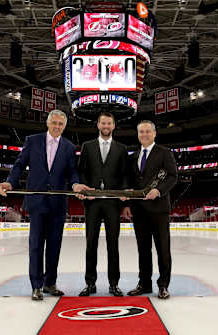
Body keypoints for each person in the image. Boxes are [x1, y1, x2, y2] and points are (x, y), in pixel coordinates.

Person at [0, 110, 91, 301]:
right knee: (36, 246)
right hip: (37, 201)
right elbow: (19, 164)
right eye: (54, 123)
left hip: (58, 203)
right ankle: (36, 286)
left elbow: (72, 172)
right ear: (48, 123)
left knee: (54, 246)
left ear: (64, 126)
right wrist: (10, 182)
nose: (57, 126)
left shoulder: (68, 146)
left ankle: (50, 283)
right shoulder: (32, 141)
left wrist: (75, 184)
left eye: (61, 124)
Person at [122, 120, 177, 299]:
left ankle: (163, 285)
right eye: (141, 132)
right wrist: (128, 204)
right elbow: (131, 183)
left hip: (159, 210)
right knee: (143, 250)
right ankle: (144, 284)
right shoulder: (134, 156)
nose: (144, 135)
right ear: (138, 135)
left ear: (154, 133)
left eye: (147, 131)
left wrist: (159, 190)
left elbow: (172, 176)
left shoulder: (164, 153)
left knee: (163, 249)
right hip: (139, 211)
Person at [78, 112, 128, 297]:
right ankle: (90, 284)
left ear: (114, 125)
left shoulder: (122, 149)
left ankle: (114, 284)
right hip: (92, 203)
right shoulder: (87, 146)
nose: (106, 126)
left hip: (113, 204)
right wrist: (85, 191)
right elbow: (81, 171)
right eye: (103, 123)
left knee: (112, 245)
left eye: (109, 123)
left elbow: (124, 175)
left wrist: (123, 194)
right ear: (98, 125)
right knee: (91, 244)